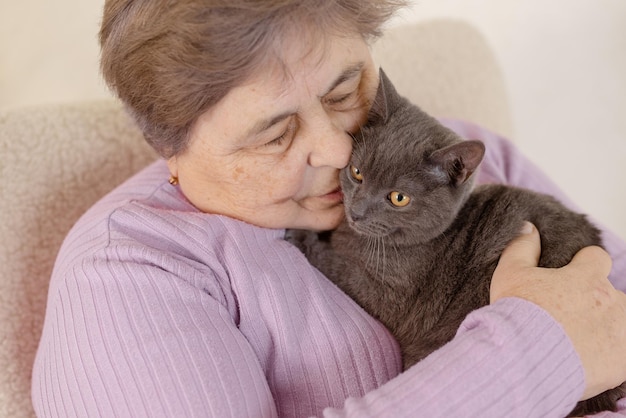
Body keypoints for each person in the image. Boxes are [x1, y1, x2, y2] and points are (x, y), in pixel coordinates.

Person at [31, 1, 626, 416]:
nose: (340, 149)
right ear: (170, 147)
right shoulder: (130, 274)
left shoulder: (467, 154)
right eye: (276, 134)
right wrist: (537, 348)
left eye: (344, 92)